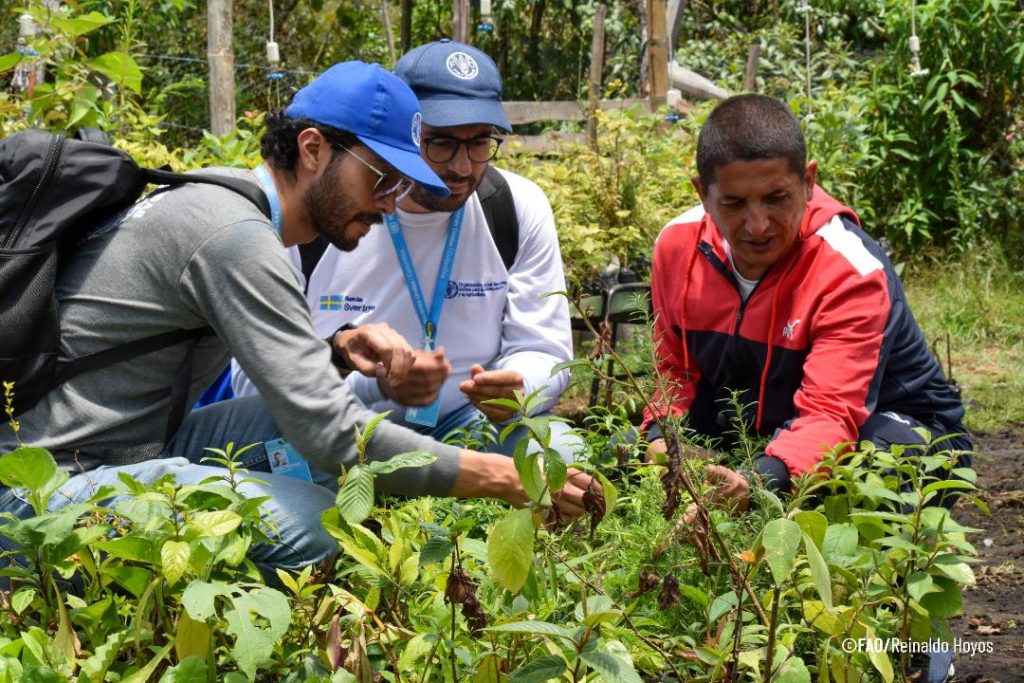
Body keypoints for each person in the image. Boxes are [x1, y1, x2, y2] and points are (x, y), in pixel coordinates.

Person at [0, 62, 596, 578]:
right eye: (381, 178)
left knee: (328, 448)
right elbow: (328, 432)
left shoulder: (228, 204)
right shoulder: (234, 236)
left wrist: (337, 353)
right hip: (46, 482)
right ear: (312, 149)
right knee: (314, 524)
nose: (392, 202)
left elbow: (307, 402)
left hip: (144, 436)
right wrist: (500, 474)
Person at [232, 41, 581, 461]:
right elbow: (254, 387)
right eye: (440, 143)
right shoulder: (322, 215)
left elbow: (546, 347)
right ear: (403, 132)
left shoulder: (513, 206)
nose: (463, 167)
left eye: (479, 143)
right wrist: (363, 376)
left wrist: (519, 384)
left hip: (468, 422)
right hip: (344, 428)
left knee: (563, 453)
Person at [643, 93, 971, 515]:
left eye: (776, 198)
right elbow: (674, 373)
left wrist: (756, 480)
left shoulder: (849, 268)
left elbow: (831, 413)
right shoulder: (676, 247)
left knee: (863, 475)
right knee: (632, 451)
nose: (757, 225)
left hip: (898, 422)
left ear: (808, 182)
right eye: (734, 204)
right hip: (771, 419)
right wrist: (659, 440)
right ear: (703, 195)